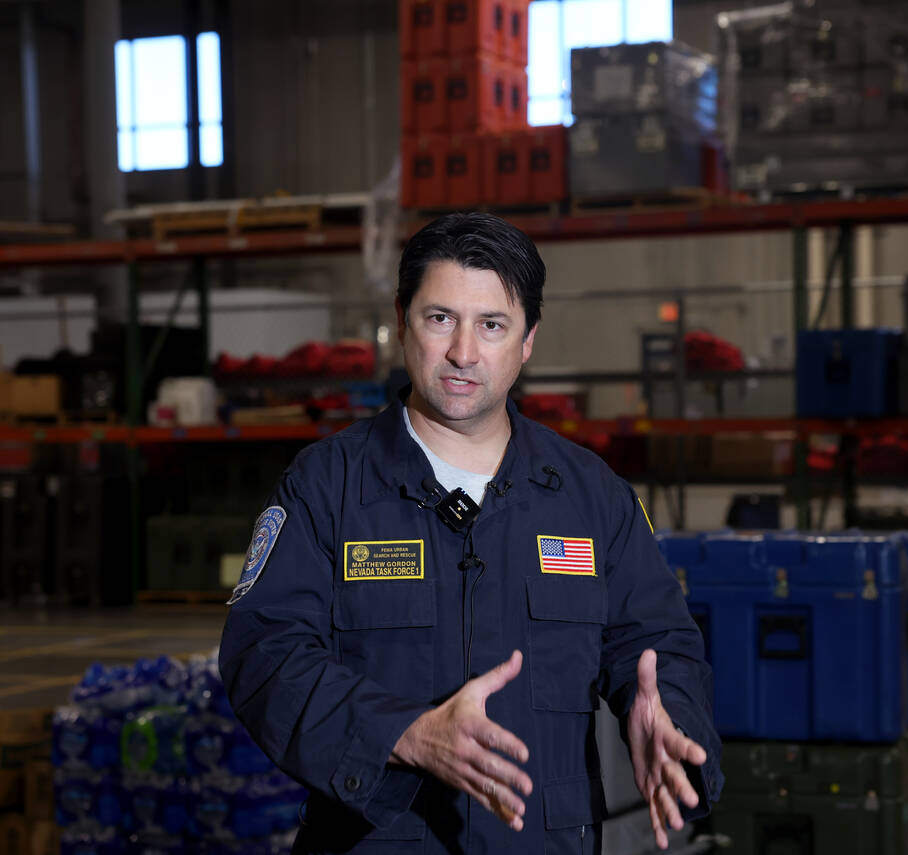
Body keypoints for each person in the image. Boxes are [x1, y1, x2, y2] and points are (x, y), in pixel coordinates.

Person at [219, 212, 723, 854]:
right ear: (403, 319)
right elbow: (264, 653)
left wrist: (664, 715)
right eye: (439, 319)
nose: (463, 353)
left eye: (492, 325)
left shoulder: (590, 497)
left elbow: (659, 641)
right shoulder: (328, 486)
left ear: (528, 340)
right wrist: (402, 734)